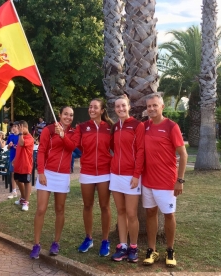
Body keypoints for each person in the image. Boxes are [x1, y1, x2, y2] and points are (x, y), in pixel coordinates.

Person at [60, 98, 113, 257]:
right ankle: (89, 238)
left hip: (104, 171)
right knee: (87, 206)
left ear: (102, 110)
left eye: (95, 107)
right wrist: (63, 135)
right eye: (90, 107)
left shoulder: (109, 127)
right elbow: (72, 146)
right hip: (88, 171)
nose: (92, 109)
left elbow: (117, 147)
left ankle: (105, 240)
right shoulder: (82, 127)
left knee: (105, 206)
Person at [141, 93, 188, 267]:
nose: (151, 108)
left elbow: (183, 155)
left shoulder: (171, 126)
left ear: (162, 107)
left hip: (166, 182)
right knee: (150, 213)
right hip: (147, 181)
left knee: (169, 214)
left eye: (155, 105)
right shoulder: (144, 126)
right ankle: (152, 250)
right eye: (149, 106)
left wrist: (180, 180)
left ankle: (170, 249)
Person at [30, 106, 75, 259]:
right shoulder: (48, 130)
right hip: (47, 173)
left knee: (60, 209)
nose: (68, 117)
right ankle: (36, 244)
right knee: (41, 209)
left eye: (71, 115)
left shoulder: (73, 132)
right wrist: (41, 171)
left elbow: (71, 147)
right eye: (66, 114)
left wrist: (63, 135)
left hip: (62, 175)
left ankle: (56, 242)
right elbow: (41, 150)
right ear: (60, 115)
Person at [109, 96, 145, 262]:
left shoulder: (138, 125)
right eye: (117, 106)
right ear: (115, 109)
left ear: (129, 107)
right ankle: (122, 245)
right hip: (115, 175)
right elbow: (112, 148)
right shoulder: (115, 127)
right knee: (121, 212)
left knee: (131, 213)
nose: (120, 108)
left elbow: (140, 151)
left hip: (131, 176)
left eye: (123, 105)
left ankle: (133, 247)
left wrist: (137, 174)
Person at [13, 120, 34, 211]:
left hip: (26, 165)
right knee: (17, 180)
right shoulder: (21, 137)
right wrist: (14, 159)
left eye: (19, 127)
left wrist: (20, 133)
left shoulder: (29, 138)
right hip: (18, 164)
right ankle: (22, 197)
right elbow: (19, 149)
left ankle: (26, 202)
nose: (18, 129)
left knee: (26, 182)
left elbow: (22, 143)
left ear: (24, 128)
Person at [6, 122, 19, 199]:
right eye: (13, 127)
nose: (13, 128)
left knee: (21, 175)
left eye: (15, 126)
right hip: (12, 157)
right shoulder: (10, 136)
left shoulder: (21, 136)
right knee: (13, 174)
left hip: (20, 158)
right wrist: (9, 146)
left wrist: (18, 147)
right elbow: (7, 147)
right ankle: (14, 191)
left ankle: (25, 190)